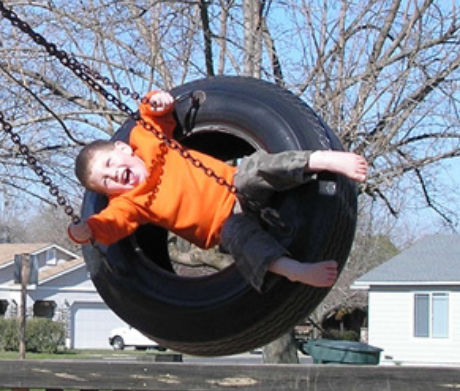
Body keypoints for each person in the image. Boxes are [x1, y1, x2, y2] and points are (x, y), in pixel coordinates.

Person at [66, 89, 368, 289]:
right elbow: (110, 224)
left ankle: (321, 159)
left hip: (233, 185)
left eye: (109, 164)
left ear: (122, 148)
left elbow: (152, 117)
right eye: (106, 181)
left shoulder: (146, 143)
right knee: (245, 244)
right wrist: (87, 231)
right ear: (108, 192)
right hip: (223, 226)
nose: (114, 175)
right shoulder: (130, 204)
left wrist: (156, 101)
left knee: (257, 168)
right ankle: (292, 269)